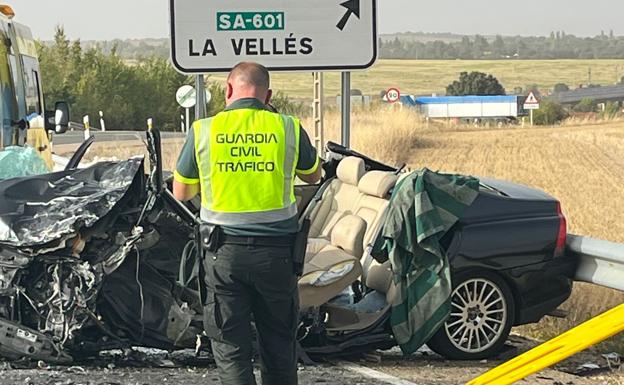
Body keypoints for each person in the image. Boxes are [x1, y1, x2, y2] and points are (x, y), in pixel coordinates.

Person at [173, 61, 321, 385]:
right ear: (268, 95)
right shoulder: (288, 127)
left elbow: (181, 192)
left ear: (227, 90)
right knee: (279, 347)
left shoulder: (204, 130)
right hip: (278, 257)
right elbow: (313, 174)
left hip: (223, 255)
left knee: (231, 350)